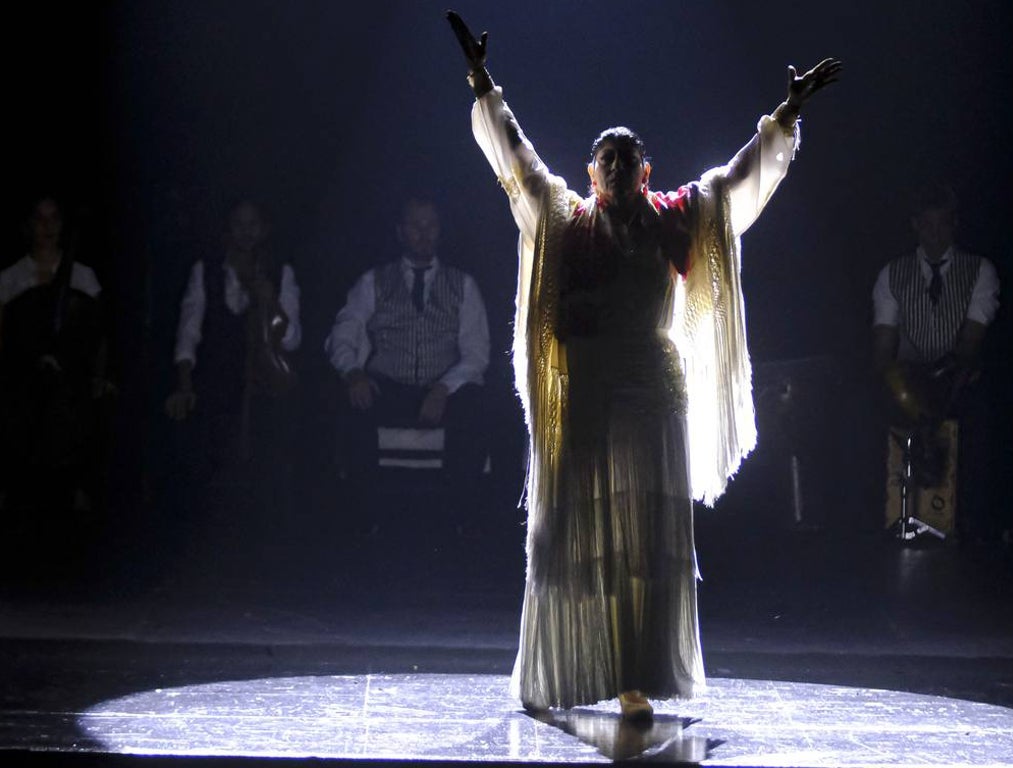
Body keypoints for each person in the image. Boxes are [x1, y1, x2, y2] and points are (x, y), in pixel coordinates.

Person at [447, 11, 841, 718]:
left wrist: (784, 115)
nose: (620, 168)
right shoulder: (565, 221)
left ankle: (636, 675)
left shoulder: (675, 217)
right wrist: (482, 82)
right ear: (592, 172)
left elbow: (736, 181)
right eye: (609, 159)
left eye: (630, 159)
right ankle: (563, 672)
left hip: (654, 392)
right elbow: (517, 160)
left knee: (646, 540)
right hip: (587, 393)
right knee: (571, 530)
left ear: (646, 170)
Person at [325, 198, 490, 492]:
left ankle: (459, 508)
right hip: (389, 386)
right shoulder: (373, 281)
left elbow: (476, 353)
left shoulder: (463, 284)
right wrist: (353, 373)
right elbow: (343, 333)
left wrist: (443, 388)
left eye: (431, 226)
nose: (424, 234)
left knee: (473, 409)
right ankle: (362, 507)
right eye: (415, 226)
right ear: (400, 232)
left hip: (443, 388)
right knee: (353, 409)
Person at [871, 183, 1000, 539]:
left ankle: (974, 528)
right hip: (908, 385)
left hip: (957, 382)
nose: (935, 235)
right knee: (876, 408)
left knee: (977, 409)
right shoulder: (891, 274)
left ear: (954, 224)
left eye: (942, 224)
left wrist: (941, 394)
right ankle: (892, 518)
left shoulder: (980, 271)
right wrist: (901, 391)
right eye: (927, 225)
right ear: (915, 225)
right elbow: (883, 349)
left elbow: (969, 345)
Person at [164, 198, 301, 518]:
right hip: (216, 381)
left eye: (253, 225)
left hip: (265, 382)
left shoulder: (280, 272)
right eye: (239, 224)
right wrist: (185, 384)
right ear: (228, 229)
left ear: (264, 230)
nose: (246, 232)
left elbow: (292, 339)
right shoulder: (206, 270)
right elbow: (188, 333)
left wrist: (270, 301)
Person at [0, 194, 109, 515]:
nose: (47, 227)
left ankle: (78, 489)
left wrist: (99, 375)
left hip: (73, 385)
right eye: (40, 219)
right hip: (23, 386)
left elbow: (99, 334)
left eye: (54, 219)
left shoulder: (84, 276)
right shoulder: (10, 278)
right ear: (28, 225)